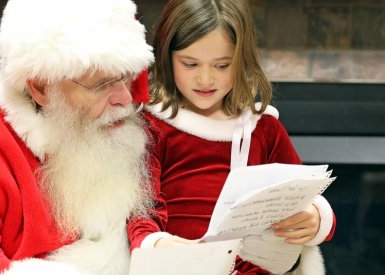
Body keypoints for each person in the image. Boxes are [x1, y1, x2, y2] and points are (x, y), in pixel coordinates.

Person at [0, 0, 155, 274]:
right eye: (101, 85)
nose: (125, 99)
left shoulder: (118, 134)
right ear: (41, 89)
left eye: (126, 78)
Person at [127, 0, 336, 274]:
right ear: (168, 58)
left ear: (242, 61)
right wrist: (159, 245)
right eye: (190, 64)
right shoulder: (153, 127)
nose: (205, 79)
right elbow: (140, 211)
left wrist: (316, 217)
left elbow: (304, 193)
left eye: (222, 66)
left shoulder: (265, 130)